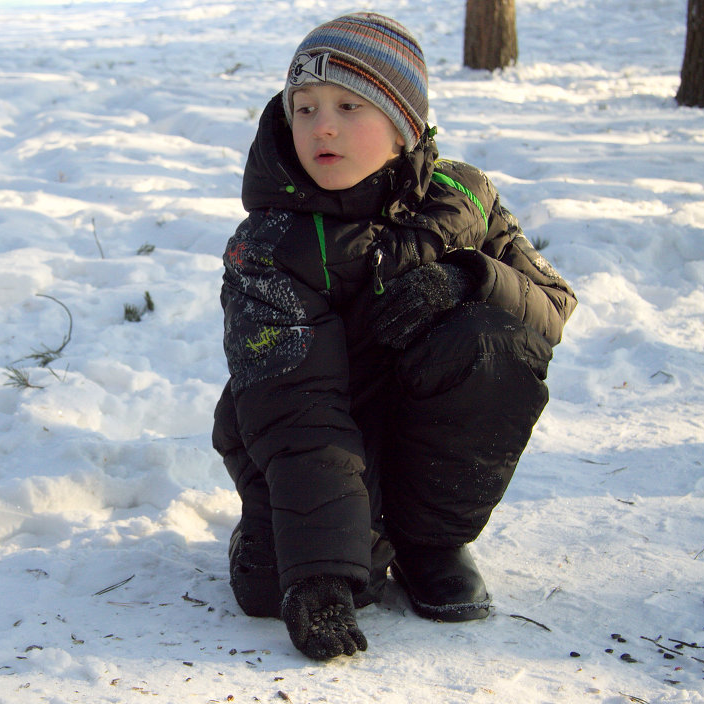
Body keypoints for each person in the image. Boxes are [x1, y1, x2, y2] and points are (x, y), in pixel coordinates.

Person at [212, 12, 576, 661]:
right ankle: (304, 533)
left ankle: (430, 541)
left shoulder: (464, 197)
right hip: (300, 431)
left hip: (418, 423)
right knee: (272, 586)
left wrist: (469, 278)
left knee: (496, 338)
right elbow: (299, 411)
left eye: (350, 105)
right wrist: (319, 571)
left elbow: (550, 305)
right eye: (304, 107)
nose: (322, 125)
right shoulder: (268, 248)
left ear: (405, 123)